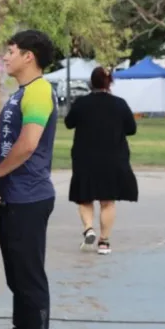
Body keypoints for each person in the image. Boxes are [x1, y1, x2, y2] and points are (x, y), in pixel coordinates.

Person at [0, 29, 58, 329]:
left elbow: (28, 146)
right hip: (14, 196)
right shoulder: (21, 92)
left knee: (29, 274)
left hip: (30, 196)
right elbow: (14, 139)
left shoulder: (40, 91)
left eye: (11, 51)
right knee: (15, 273)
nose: (6, 57)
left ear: (29, 56)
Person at [65, 67, 138, 255]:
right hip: (113, 157)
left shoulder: (82, 103)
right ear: (109, 83)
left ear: (91, 83)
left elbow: (68, 123)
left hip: (85, 157)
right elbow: (131, 129)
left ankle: (89, 229)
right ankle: (104, 242)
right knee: (107, 201)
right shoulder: (120, 104)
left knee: (84, 197)